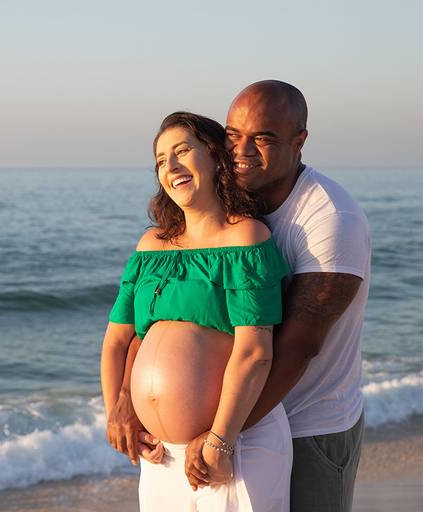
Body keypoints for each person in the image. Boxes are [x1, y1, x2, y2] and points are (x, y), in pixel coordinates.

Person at [101, 111, 293, 511]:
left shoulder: (245, 237)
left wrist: (221, 441)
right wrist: (118, 411)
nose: (170, 167)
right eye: (160, 160)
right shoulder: (151, 245)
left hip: (233, 446)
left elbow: (255, 352)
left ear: (215, 157)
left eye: (182, 151)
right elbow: (119, 340)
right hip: (159, 454)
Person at [224, 80, 371, 512]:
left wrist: (221, 432)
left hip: (309, 427)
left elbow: (298, 347)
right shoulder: (233, 203)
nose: (242, 150)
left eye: (263, 138)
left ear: (299, 141)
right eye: (233, 135)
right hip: (244, 421)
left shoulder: (330, 219)